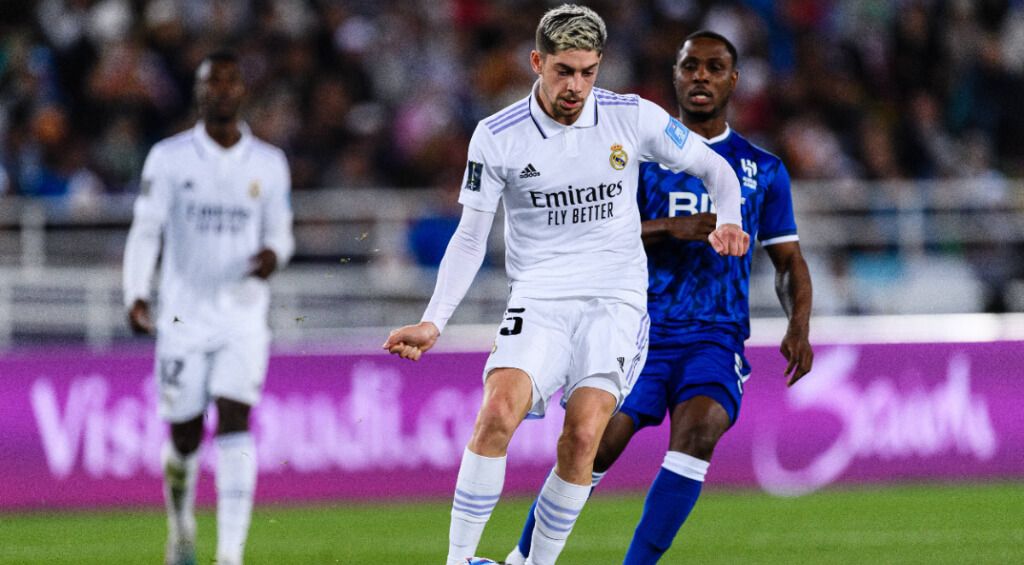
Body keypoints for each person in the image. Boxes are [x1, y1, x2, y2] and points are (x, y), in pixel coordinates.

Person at [382, 7, 749, 565]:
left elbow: (716, 169)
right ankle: (458, 561)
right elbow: (470, 237)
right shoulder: (498, 136)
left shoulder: (631, 117)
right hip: (539, 296)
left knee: (583, 436)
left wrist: (730, 219)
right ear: (537, 62)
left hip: (616, 302)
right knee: (497, 412)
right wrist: (435, 320)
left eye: (587, 71)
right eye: (564, 71)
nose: (576, 85)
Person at [505, 31, 814, 565]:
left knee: (701, 431)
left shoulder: (761, 169)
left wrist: (798, 326)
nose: (701, 76)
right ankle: (523, 558)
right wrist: (669, 228)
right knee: (592, 444)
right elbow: (587, 234)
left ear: (733, 80)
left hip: (714, 335)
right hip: (634, 329)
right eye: (690, 66)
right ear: (675, 76)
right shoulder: (633, 156)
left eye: (714, 67)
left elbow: (788, 260)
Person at [122, 49, 294, 565]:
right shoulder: (168, 158)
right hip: (182, 315)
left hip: (243, 313)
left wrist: (274, 254)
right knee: (185, 435)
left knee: (236, 416)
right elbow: (146, 229)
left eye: (229, 81)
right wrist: (135, 292)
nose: (220, 90)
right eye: (210, 82)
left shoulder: (269, 163)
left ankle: (230, 556)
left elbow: (281, 234)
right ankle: (180, 526)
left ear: (242, 91)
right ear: (198, 92)